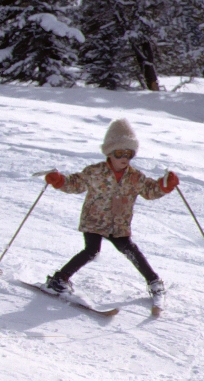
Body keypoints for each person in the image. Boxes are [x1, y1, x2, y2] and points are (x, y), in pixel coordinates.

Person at [42, 118, 178, 299]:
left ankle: (153, 282)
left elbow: (150, 191)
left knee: (130, 250)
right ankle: (59, 279)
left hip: (119, 224)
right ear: (109, 152)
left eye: (129, 154)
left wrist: (164, 186)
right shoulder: (95, 171)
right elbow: (75, 184)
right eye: (120, 153)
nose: (124, 158)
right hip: (94, 221)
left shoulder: (135, 177)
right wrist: (59, 181)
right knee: (91, 250)